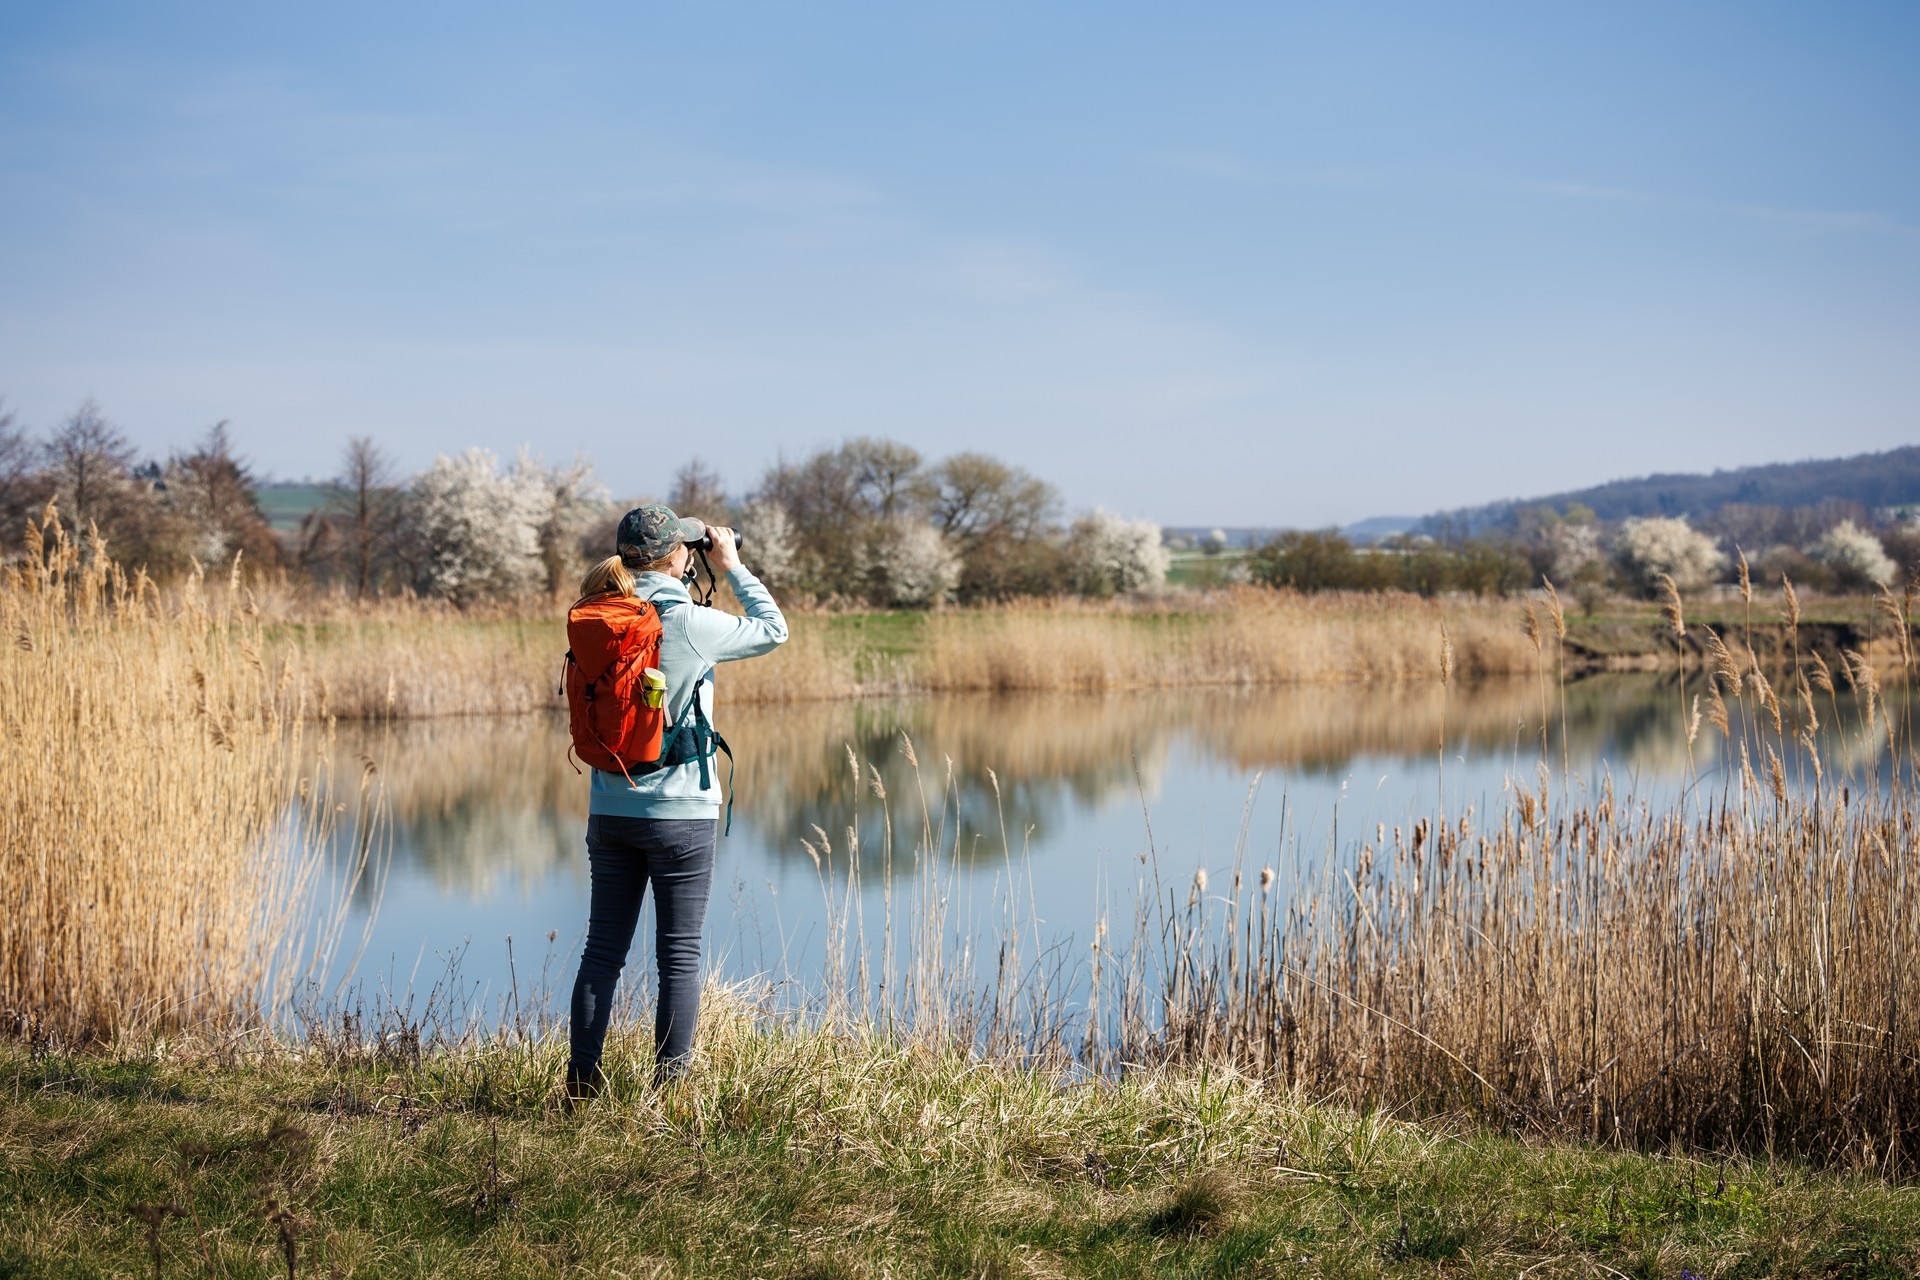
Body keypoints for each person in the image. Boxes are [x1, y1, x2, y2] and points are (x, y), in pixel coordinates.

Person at [565, 503, 787, 1100]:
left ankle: (581, 1087)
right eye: (687, 548)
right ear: (677, 556)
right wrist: (733, 565)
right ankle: (669, 1092)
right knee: (679, 959)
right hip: (681, 817)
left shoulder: (599, 616)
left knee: (601, 954)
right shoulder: (688, 621)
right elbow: (773, 629)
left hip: (610, 809)